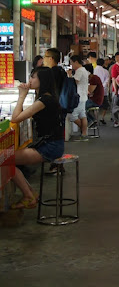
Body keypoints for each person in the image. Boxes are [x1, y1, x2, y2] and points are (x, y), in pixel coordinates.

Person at [9, 68, 64, 209]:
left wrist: (22, 96)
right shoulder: (45, 97)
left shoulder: (44, 100)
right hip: (51, 144)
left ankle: (28, 195)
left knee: (5, 159)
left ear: (42, 81)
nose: (30, 80)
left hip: (50, 148)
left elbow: (15, 118)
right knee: (7, 159)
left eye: (33, 77)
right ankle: (30, 193)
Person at [68, 55, 89, 141]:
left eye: (72, 63)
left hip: (78, 97)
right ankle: (84, 133)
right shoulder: (83, 70)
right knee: (82, 115)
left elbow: (74, 82)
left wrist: (69, 75)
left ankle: (84, 131)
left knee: (73, 116)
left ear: (76, 62)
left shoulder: (79, 71)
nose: (71, 65)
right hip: (83, 96)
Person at [94, 58, 110, 124]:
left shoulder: (94, 70)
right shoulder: (106, 71)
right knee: (105, 105)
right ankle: (102, 118)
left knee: (95, 106)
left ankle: (95, 119)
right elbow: (107, 81)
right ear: (103, 63)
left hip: (95, 90)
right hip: (103, 91)